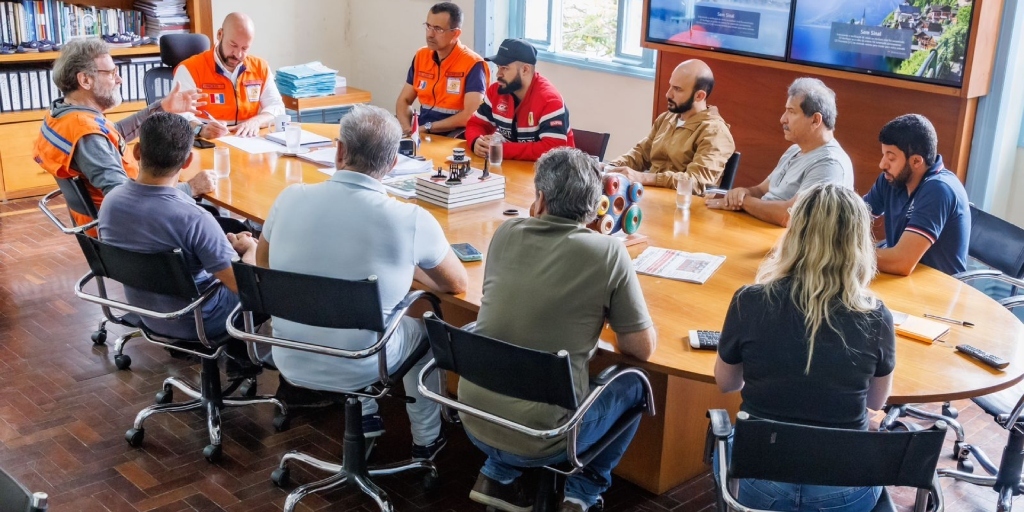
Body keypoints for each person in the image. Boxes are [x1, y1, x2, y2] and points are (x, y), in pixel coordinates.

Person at [256, 104, 468, 458]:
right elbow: (454, 283)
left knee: (350, 304)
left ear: (338, 150)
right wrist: (407, 269)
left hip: (289, 353)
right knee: (427, 331)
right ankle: (426, 440)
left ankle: (368, 416)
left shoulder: (289, 197)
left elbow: (265, 265)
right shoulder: (411, 218)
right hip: (363, 361)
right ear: (393, 164)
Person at [461, 148, 657, 512]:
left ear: (539, 200)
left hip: (475, 419)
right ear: (596, 204)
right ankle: (581, 493)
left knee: (514, 346)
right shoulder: (608, 254)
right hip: (546, 439)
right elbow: (641, 348)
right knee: (634, 382)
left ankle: (498, 473)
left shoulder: (505, 233)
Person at [715, 183, 896, 512]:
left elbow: (727, 383)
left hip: (758, 482)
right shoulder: (876, 316)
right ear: (858, 244)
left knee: (724, 440)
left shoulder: (749, 300)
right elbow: (875, 400)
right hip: (844, 490)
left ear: (795, 233)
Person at [97, 112, 256, 341]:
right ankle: (243, 357)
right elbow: (247, 290)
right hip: (201, 323)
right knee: (265, 280)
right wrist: (250, 250)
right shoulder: (195, 219)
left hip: (148, 314)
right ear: (189, 160)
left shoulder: (110, 203)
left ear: (137, 152)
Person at [34, 38, 215, 229]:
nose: (119, 80)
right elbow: (127, 201)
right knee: (218, 226)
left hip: (115, 223)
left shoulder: (62, 114)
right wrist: (190, 188)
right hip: (132, 232)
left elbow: (111, 136)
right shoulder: (87, 135)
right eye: (112, 73)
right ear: (85, 80)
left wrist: (162, 108)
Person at [707, 78, 853, 227]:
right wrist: (741, 193)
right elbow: (761, 190)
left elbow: (790, 215)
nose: (783, 119)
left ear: (815, 120)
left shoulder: (830, 164)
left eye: (791, 112)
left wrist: (744, 202)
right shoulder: (794, 149)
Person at [607, 59, 734, 194]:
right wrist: (610, 168)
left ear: (699, 96)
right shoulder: (667, 118)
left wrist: (644, 177)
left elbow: (696, 182)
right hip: (651, 198)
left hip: (683, 208)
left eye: (677, 89)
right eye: (670, 86)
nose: (668, 94)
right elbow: (640, 154)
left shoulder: (715, 132)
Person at [864, 114, 970, 276]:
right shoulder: (891, 178)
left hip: (936, 293)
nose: (882, 164)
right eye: (884, 155)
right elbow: (853, 217)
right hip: (902, 281)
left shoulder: (939, 189)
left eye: (891, 158)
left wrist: (846, 255)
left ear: (916, 162)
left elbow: (901, 262)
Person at [172, 12, 286, 139]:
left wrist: (256, 122)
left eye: (244, 49)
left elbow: (277, 107)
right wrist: (201, 129)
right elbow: (179, 115)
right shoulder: (190, 69)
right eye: (233, 45)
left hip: (248, 140)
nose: (237, 54)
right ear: (220, 35)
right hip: (207, 141)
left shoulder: (260, 67)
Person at [465, 38, 575, 162]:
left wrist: (501, 149)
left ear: (525, 70)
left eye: (505, 68)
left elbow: (553, 150)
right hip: (515, 168)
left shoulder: (550, 100)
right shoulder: (496, 91)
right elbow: (476, 124)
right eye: (498, 67)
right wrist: (476, 142)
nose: (498, 74)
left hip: (558, 175)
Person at [395, 2, 489, 138]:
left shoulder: (472, 63)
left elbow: (469, 115)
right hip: (423, 132)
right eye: (428, 26)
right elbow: (403, 100)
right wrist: (406, 130)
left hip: (455, 135)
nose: (430, 35)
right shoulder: (422, 56)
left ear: (455, 33)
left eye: (438, 29)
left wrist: (428, 128)